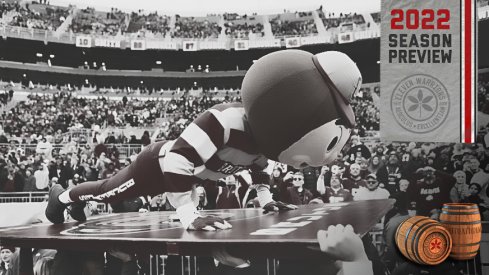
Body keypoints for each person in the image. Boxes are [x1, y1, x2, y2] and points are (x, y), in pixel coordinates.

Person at [45, 50, 362, 231]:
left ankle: (70, 202)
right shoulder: (224, 121)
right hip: (158, 166)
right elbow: (178, 160)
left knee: (107, 194)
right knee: (107, 193)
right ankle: (60, 198)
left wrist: (267, 201)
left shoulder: (263, 144)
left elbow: (260, 171)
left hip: (189, 177)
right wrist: (188, 215)